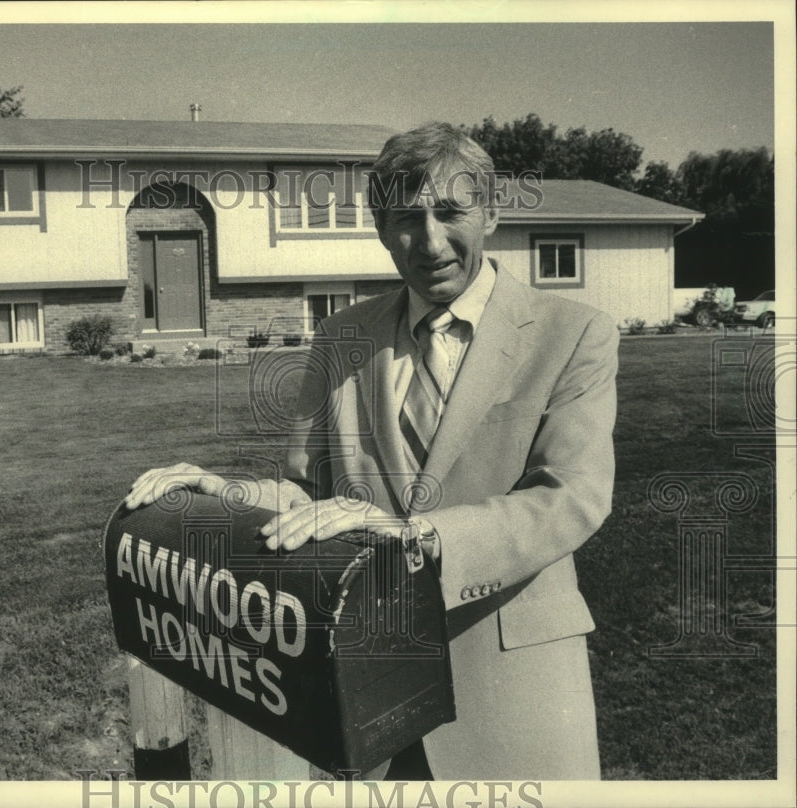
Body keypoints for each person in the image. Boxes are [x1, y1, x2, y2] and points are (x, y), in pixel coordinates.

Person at [126, 122, 618, 780]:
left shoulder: (573, 334)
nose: (431, 241)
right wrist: (221, 496)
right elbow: (307, 495)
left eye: (451, 212)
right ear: (381, 228)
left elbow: (571, 498)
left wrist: (418, 538)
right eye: (407, 219)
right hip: (368, 692)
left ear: (493, 213)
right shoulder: (341, 337)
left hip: (513, 690)